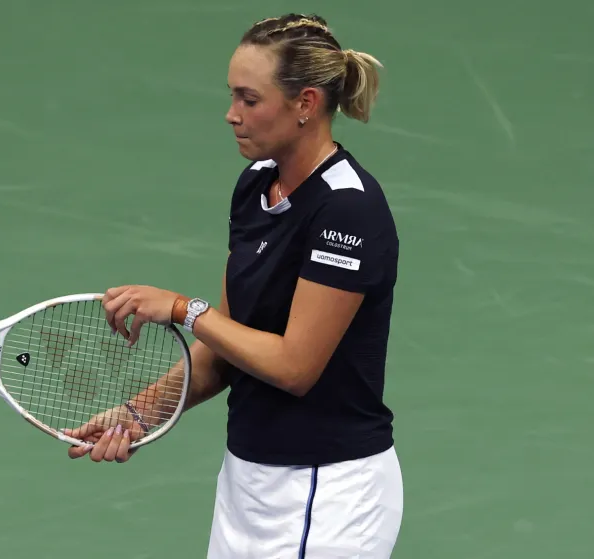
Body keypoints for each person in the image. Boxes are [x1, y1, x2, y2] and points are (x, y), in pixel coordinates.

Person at [65, 13, 403, 558]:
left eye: (250, 99)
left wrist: (180, 308)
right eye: (232, 96)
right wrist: (138, 415)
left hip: (328, 492)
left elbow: (295, 367)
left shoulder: (347, 209)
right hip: (247, 487)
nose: (231, 115)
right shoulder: (254, 186)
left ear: (305, 104)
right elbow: (229, 347)